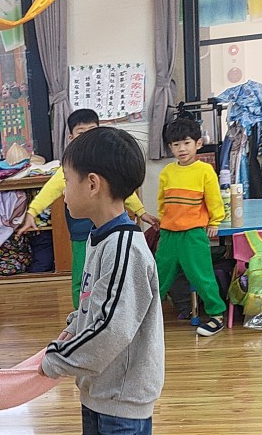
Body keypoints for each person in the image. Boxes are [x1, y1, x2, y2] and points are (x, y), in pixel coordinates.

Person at [39, 127, 166, 435]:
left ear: (92, 184)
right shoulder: (101, 240)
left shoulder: (126, 250)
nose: (62, 191)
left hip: (125, 400)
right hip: (97, 391)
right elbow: (92, 307)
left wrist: (57, 360)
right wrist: (70, 332)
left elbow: (111, 327)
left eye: (66, 180)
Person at [16, 108, 158, 309]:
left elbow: (123, 191)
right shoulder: (72, 167)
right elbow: (49, 190)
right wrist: (32, 212)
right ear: (71, 137)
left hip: (108, 231)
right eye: (82, 133)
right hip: (82, 234)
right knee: (83, 278)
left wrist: (141, 212)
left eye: (92, 131)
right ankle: (80, 311)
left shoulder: (127, 245)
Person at [155, 117, 227, 337]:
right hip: (168, 234)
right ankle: (146, 317)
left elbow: (214, 199)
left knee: (201, 276)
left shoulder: (204, 170)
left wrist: (215, 221)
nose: (181, 149)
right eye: (176, 144)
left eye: (186, 143)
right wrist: (163, 221)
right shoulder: (167, 172)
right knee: (158, 276)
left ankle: (216, 315)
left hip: (193, 234)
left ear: (198, 143)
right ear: (170, 147)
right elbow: (162, 202)